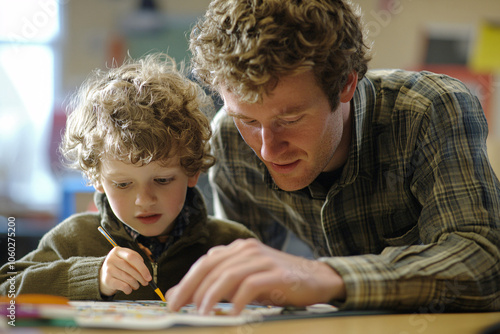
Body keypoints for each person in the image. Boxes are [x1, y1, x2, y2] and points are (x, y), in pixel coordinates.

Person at [167, 0, 500, 315]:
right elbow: (245, 282)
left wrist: (326, 276)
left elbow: (484, 260)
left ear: (346, 84)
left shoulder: (429, 109)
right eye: (249, 120)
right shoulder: (229, 136)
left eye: (290, 119)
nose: (268, 149)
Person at [0, 53, 255, 300]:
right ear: (97, 179)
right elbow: (6, 289)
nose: (144, 200)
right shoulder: (73, 239)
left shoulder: (231, 243)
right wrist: (93, 276)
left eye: (162, 180)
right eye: (123, 184)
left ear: (191, 170)